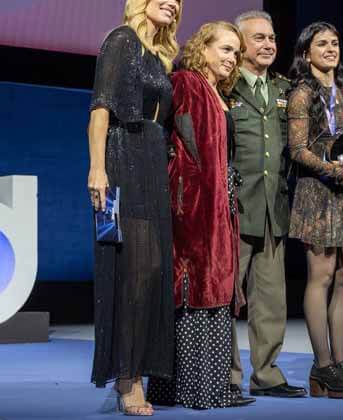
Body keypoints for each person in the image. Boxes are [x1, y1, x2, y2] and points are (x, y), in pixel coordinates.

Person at [87, 0, 183, 416]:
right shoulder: (122, 40)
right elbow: (100, 110)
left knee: (152, 269)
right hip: (122, 164)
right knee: (134, 271)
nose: (173, 2)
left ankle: (137, 369)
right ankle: (128, 379)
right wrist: (97, 170)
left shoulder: (161, 56)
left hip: (152, 165)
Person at [146, 21, 250, 410]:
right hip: (195, 209)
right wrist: (192, 203)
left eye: (235, 52)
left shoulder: (218, 93)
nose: (231, 58)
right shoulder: (188, 82)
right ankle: (191, 389)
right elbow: (187, 148)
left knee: (217, 288)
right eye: (224, 49)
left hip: (217, 207)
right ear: (202, 48)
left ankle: (213, 387)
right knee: (194, 289)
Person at [286, 21, 343, 399]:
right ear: (306, 54)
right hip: (318, 192)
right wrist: (334, 170)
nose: (331, 49)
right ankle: (321, 365)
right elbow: (297, 149)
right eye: (322, 44)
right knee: (320, 276)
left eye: (335, 43)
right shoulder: (302, 94)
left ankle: (339, 361)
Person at [226, 11, 306, 399]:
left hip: (274, 210)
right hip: (234, 211)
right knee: (225, 298)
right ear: (240, 44)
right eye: (258, 38)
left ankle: (268, 375)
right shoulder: (224, 88)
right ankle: (225, 376)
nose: (269, 44)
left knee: (271, 301)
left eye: (272, 38)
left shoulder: (284, 90)